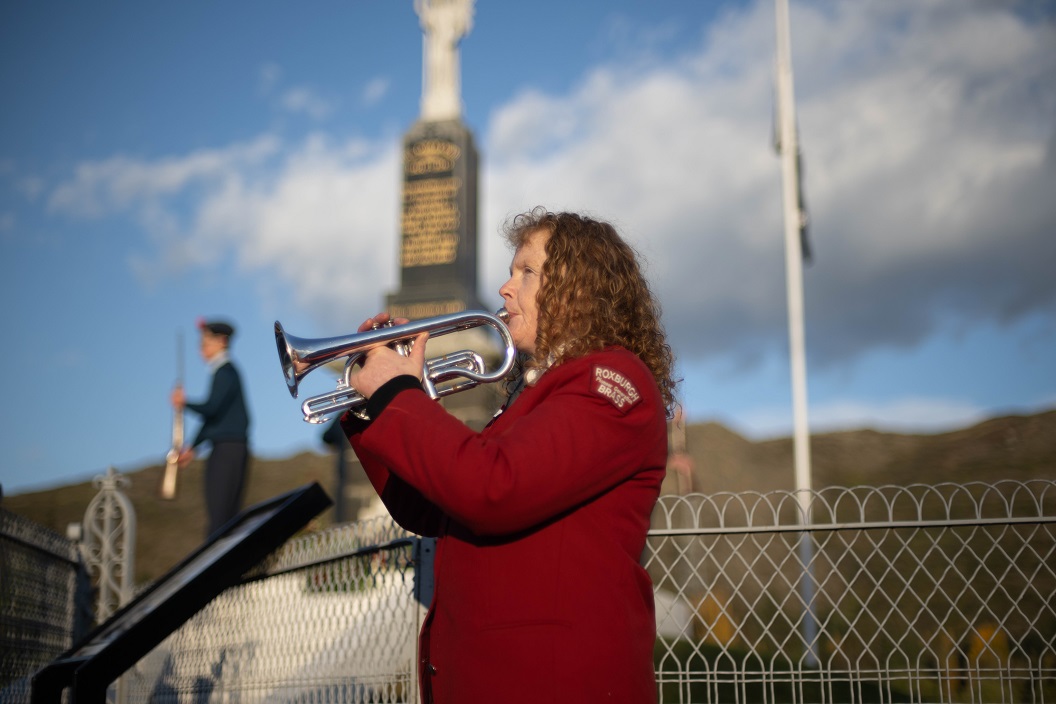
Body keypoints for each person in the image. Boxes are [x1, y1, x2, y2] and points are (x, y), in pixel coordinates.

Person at [341, 207, 676, 703]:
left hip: (556, 682)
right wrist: (374, 405)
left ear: (578, 289)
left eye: (527, 272)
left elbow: (493, 488)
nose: (504, 287)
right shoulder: (533, 395)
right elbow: (430, 507)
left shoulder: (610, 382)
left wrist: (399, 395)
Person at [171, 319, 251, 538]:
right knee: (220, 513)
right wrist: (193, 447)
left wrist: (184, 403)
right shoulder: (223, 372)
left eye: (206, 341)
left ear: (222, 341)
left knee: (221, 517)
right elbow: (214, 419)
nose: (202, 347)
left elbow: (211, 409)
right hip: (225, 448)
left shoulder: (226, 372)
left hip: (228, 450)